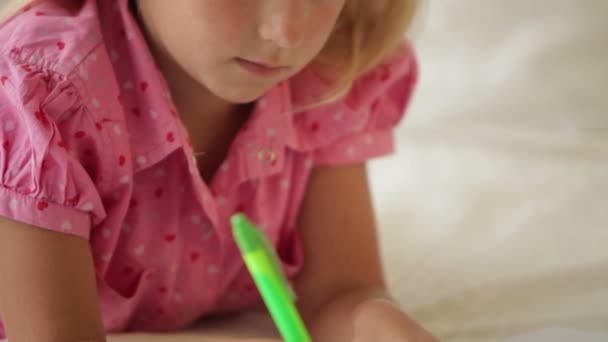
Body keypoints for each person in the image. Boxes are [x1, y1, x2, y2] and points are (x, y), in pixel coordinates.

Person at [0, 0, 434, 340]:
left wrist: (377, 324)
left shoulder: (330, 76)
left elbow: (340, 291)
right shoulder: (46, 95)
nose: (285, 31)